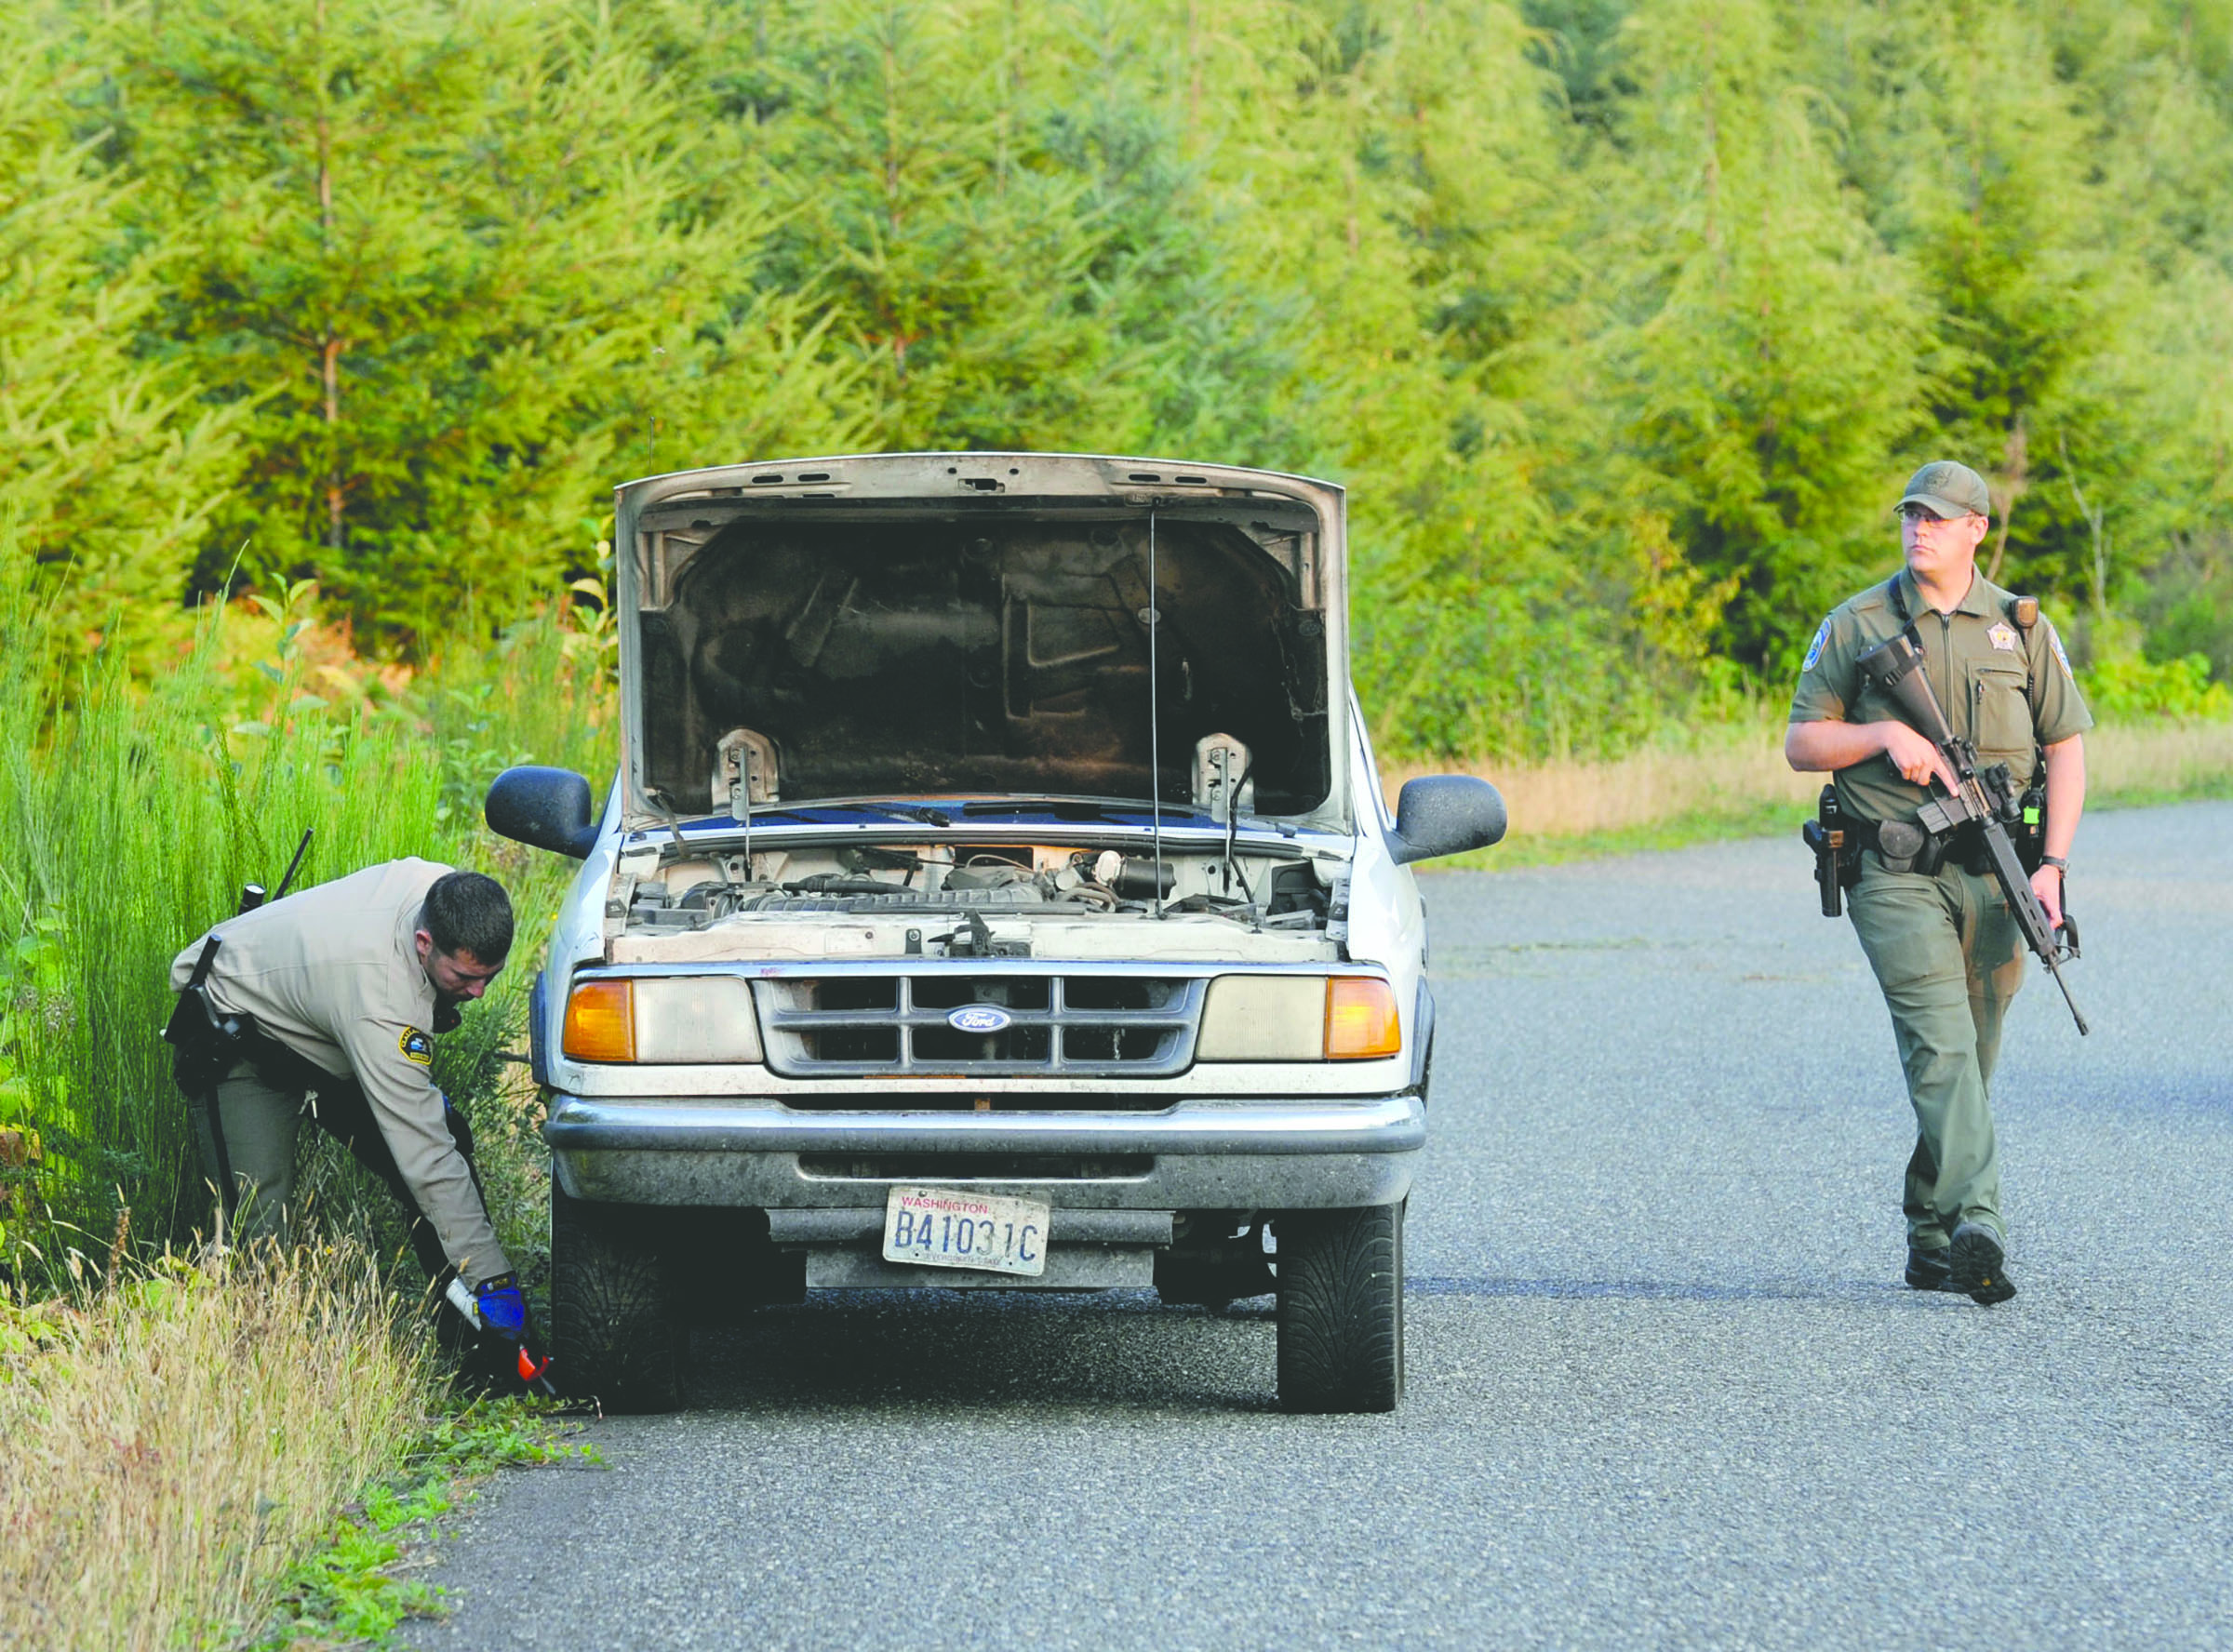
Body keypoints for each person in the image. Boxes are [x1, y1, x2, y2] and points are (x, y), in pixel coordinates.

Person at [1785, 460, 2092, 1306]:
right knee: (1942, 1046)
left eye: (1938, 518)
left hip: (1999, 871)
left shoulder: (2021, 627)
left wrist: (2053, 867)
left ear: (1976, 530)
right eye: (1911, 515)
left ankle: (1930, 1236)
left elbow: (2065, 748)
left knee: (1973, 1058)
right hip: (1894, 871)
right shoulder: (1857, 623)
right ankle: (1980, 1224)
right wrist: (1882, 735)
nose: (1919, 529)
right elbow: (1803, 743)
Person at [166, 858, 530, 1348]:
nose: (479, 992)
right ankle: (255, 1357)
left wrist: (486, 1280)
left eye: (491, 975)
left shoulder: (448, 893)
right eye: (465, 977)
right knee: (257, 1227)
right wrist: (494, 1279)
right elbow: (427, 1159)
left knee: (449, 1138)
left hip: (326, 1025)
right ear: (425, 943)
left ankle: (474, 1346)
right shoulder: (383, 1000)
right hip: (238, 1030)